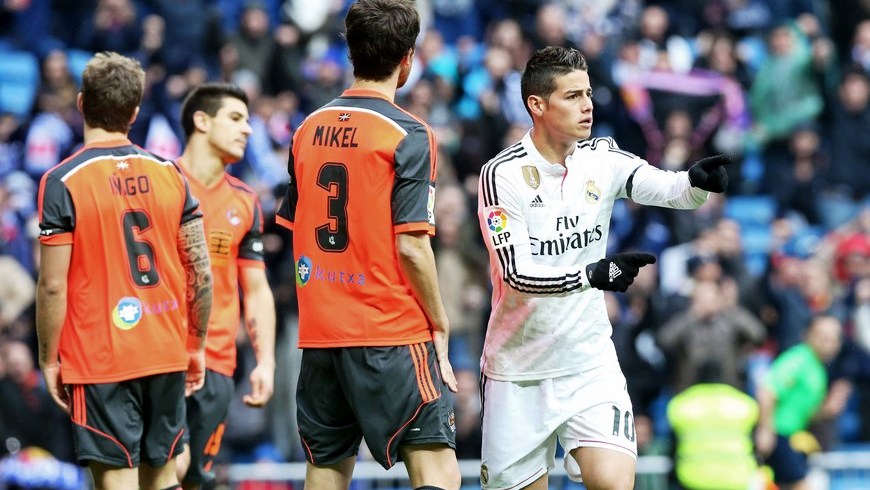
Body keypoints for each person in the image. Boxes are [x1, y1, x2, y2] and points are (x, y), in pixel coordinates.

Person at [476, 45, 731, 490]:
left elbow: (666, 186)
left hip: (588, 362)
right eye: (572, 96)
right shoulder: (502, 175)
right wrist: (590, 275)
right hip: (519, 370)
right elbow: (516, 274)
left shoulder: (602, 157)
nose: (588, 105)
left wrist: (695, 183)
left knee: (615, 484)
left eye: (589, 92)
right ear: (537, 105)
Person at [275, 1, 460, 489]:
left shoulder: (306, 130)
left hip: (320, 333)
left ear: (351, 54)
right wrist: (439, 322)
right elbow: (412, 247)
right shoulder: (410, 133)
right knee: (436, 470)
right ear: (408, 60)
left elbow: (296, 224)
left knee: (327, 471)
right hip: (389, 330)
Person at [35, 51, 213, 490]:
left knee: (116, 481)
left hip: (101, 359)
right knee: (164, 477)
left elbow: (53, 285)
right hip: (166, 347)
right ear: (135, 113)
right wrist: (196, 345)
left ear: (80, 103)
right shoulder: (171, 173)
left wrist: (47, 358)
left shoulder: (63, 180)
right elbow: (200, 271)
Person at [174, 83, 277, 489]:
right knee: (163, 471)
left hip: (218, 363)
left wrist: (265, 360)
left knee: (196, 479)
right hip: (161, 359)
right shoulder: (160, 184)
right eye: (235, 119)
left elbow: (256, 289)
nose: (248, 130)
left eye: (249, 121)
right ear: (201, 121)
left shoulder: (245, 200)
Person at [755, 315, 850, 490]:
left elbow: (807, 412)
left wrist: (827, 410)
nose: (827, 342)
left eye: (833, 338)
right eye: (822, 336)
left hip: (792, 437)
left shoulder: (818, 369)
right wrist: (765, 429)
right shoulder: (798, 360)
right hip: (778, 434)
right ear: (808, 335)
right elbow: (767, 391)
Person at [666, 359, 759, 490]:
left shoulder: (681, 404)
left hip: (692, 478)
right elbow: (756, 444)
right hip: (737, 479)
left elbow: (673, 445)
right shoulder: (745, 404)